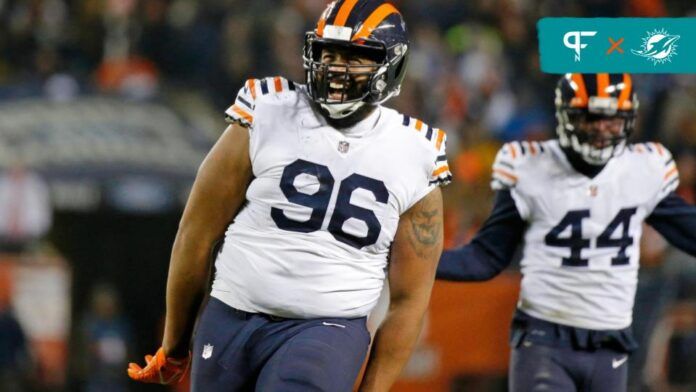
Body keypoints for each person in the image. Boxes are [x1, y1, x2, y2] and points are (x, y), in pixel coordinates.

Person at [127, 1, 451, 391]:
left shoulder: (417, 152)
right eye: (328, 53)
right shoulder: (266, 110)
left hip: (327, 328)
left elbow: (409, 299)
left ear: (391, 64)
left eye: (354, 57)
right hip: (231, 315)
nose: (336, 68)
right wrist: (175, 345)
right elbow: (196, 233)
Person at [437, 73, 696, 391]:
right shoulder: (530, 167)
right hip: (545, 337)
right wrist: (419, 262)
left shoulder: (642, 170)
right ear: (567, 117)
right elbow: (486, 257)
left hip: (610, 340)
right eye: (591, 116)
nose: (602, 127)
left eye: (612, 118)